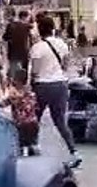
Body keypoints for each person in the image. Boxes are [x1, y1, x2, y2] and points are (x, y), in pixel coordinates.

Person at [27, 14, 80, 167]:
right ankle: (74, 151)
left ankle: (33, 145)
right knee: (60, 121)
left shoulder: (37, 47)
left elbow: (35, 70)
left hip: (42, 85)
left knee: (34, 117)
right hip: (60, 84)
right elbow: (66, 63)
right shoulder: (62, 44)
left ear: (40, 28)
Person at [2, 10, 33, 85]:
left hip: (13, 54)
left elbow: (5, 38)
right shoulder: (28, 27)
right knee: (22, 77)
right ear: (25, 17)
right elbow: (30, 41)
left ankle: (12, 89)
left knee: (13, 75)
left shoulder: (10, 25)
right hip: (24, 54)